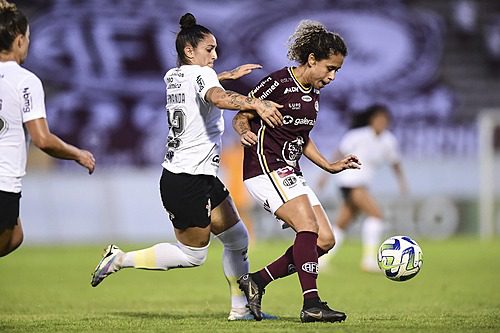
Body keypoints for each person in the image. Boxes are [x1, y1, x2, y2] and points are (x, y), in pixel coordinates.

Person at [90, 13, 283, 321]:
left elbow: (204, 84)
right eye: (210, 49)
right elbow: (216, 97)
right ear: (190, 51)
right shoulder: (203, 77)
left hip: (199, 175)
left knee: (237, 239)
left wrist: (226, 74)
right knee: (193, 256)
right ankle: (120, 259)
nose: (215, 55)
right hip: (186, 179)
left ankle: (241, 310)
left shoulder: (173, 75)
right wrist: (255, 103)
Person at [232, 20, 360, 323]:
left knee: (325, 241)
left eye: (337, 71)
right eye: (329, 68)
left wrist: (328, 165)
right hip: (264, 168)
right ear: (311, 60)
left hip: (289, 170)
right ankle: (311, 304)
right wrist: (242, 131)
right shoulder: (279, 83)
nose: (332, 76)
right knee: (308, 227)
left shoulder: (312, 94)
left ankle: (257, 281)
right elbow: (243, 114)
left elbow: (301, 137)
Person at [0, 0, 95, 257]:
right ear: (19, 40)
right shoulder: (25, 81)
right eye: (28, 37)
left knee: (15, 236)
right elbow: (43, 140)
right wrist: (77, 153)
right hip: (4, 181)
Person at [317, 104, 408, 272]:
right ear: (371, 120)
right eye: (378, 119)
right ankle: (369, 260)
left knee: (342, 223)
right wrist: (324, 176)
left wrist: (402, 182)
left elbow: (395, 162)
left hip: (361, 184)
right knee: (377, 215)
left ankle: (319, 260)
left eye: (384, 120)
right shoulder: (357, 135)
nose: (381, 122)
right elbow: (338, 153)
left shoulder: (388, 140)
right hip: (350, 182)